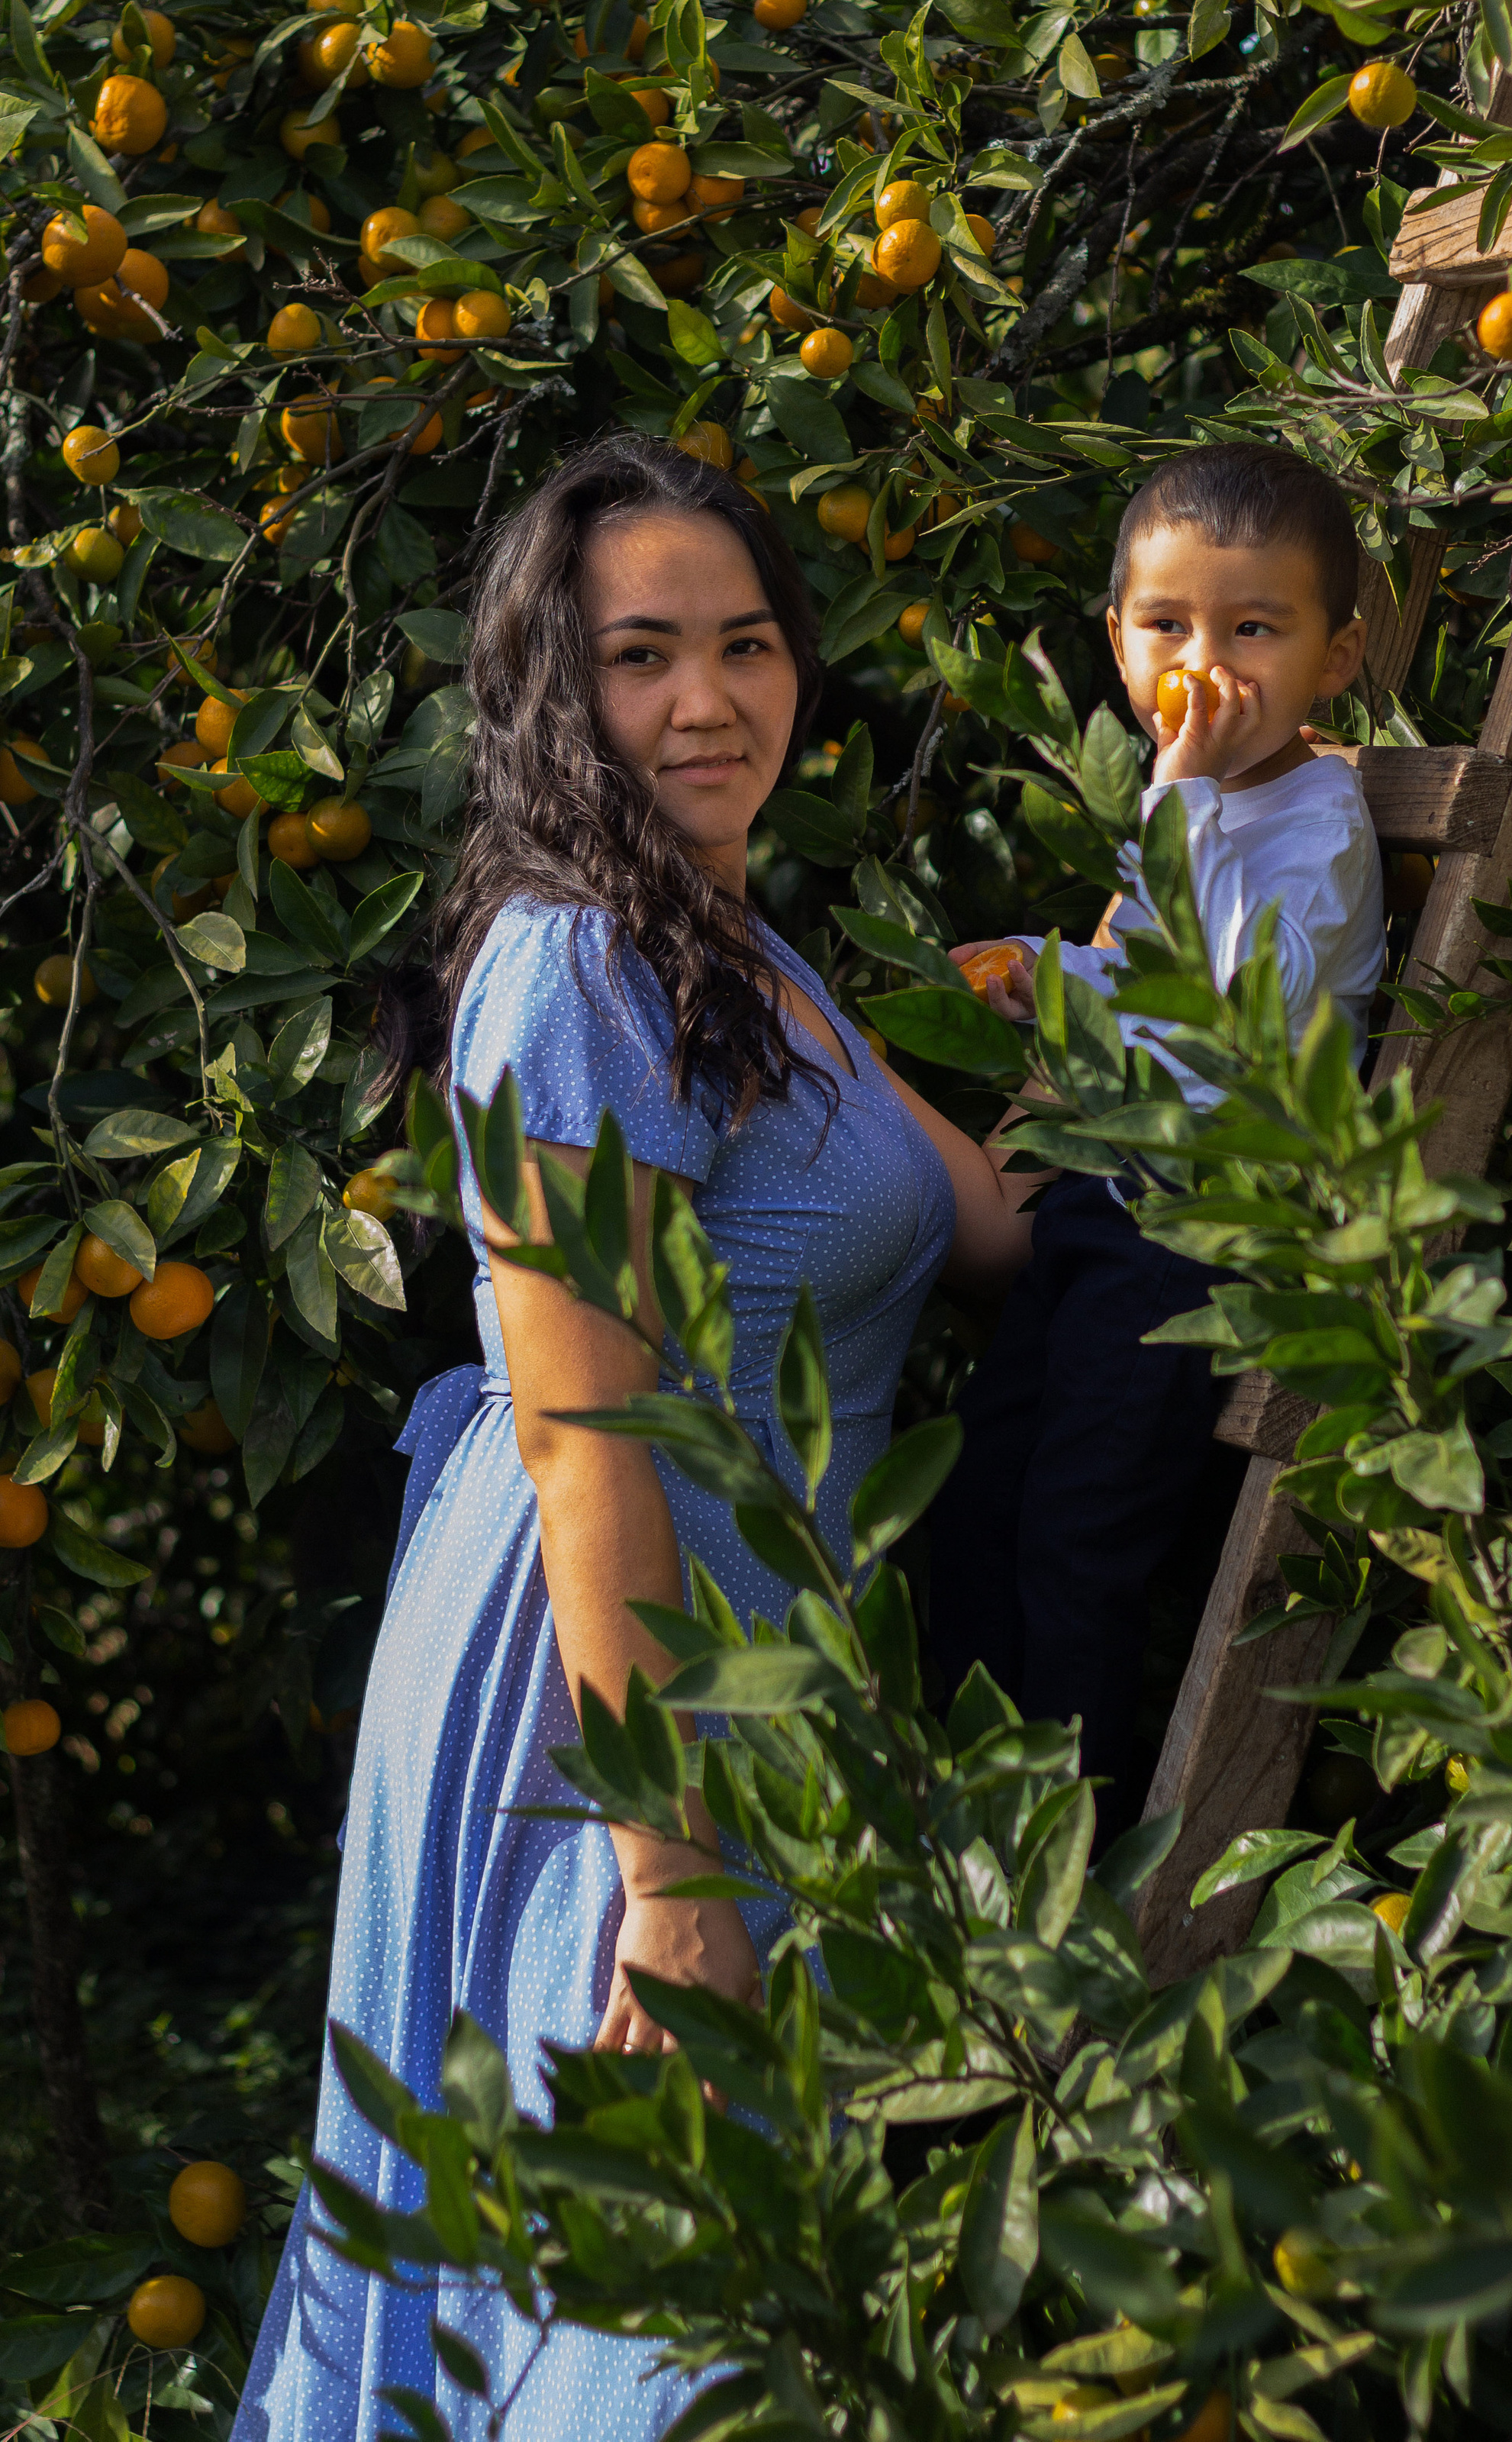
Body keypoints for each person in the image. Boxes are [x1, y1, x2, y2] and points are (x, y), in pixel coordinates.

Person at [237, 436, 1034, 2442]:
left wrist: (1226, 930)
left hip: (767, 1667)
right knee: (652, 2321)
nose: (706, 701)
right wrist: (668, 1878)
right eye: (642, 656)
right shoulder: (580, 964)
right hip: (619, 1696)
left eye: (747, 645)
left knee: (714, 2293)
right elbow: (588, 1437)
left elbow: (1001, 1225)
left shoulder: (739, 951)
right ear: (552, 694)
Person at [927, 440, 1384, 1838]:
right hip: (1102, 1210)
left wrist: (1174, 799)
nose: (1209, 666)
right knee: (973, 1500)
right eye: (1169, 627)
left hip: (1196, 1245)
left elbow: (1241, 1015)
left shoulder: (1319, 824)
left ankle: (1071, 1844)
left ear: (1337, 656)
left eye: (1256, 630)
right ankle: (961, 1821)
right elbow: (1142, 998)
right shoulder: (1201, 811)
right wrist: (1044, 978)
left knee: (1084, 1536)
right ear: (1116, 644)